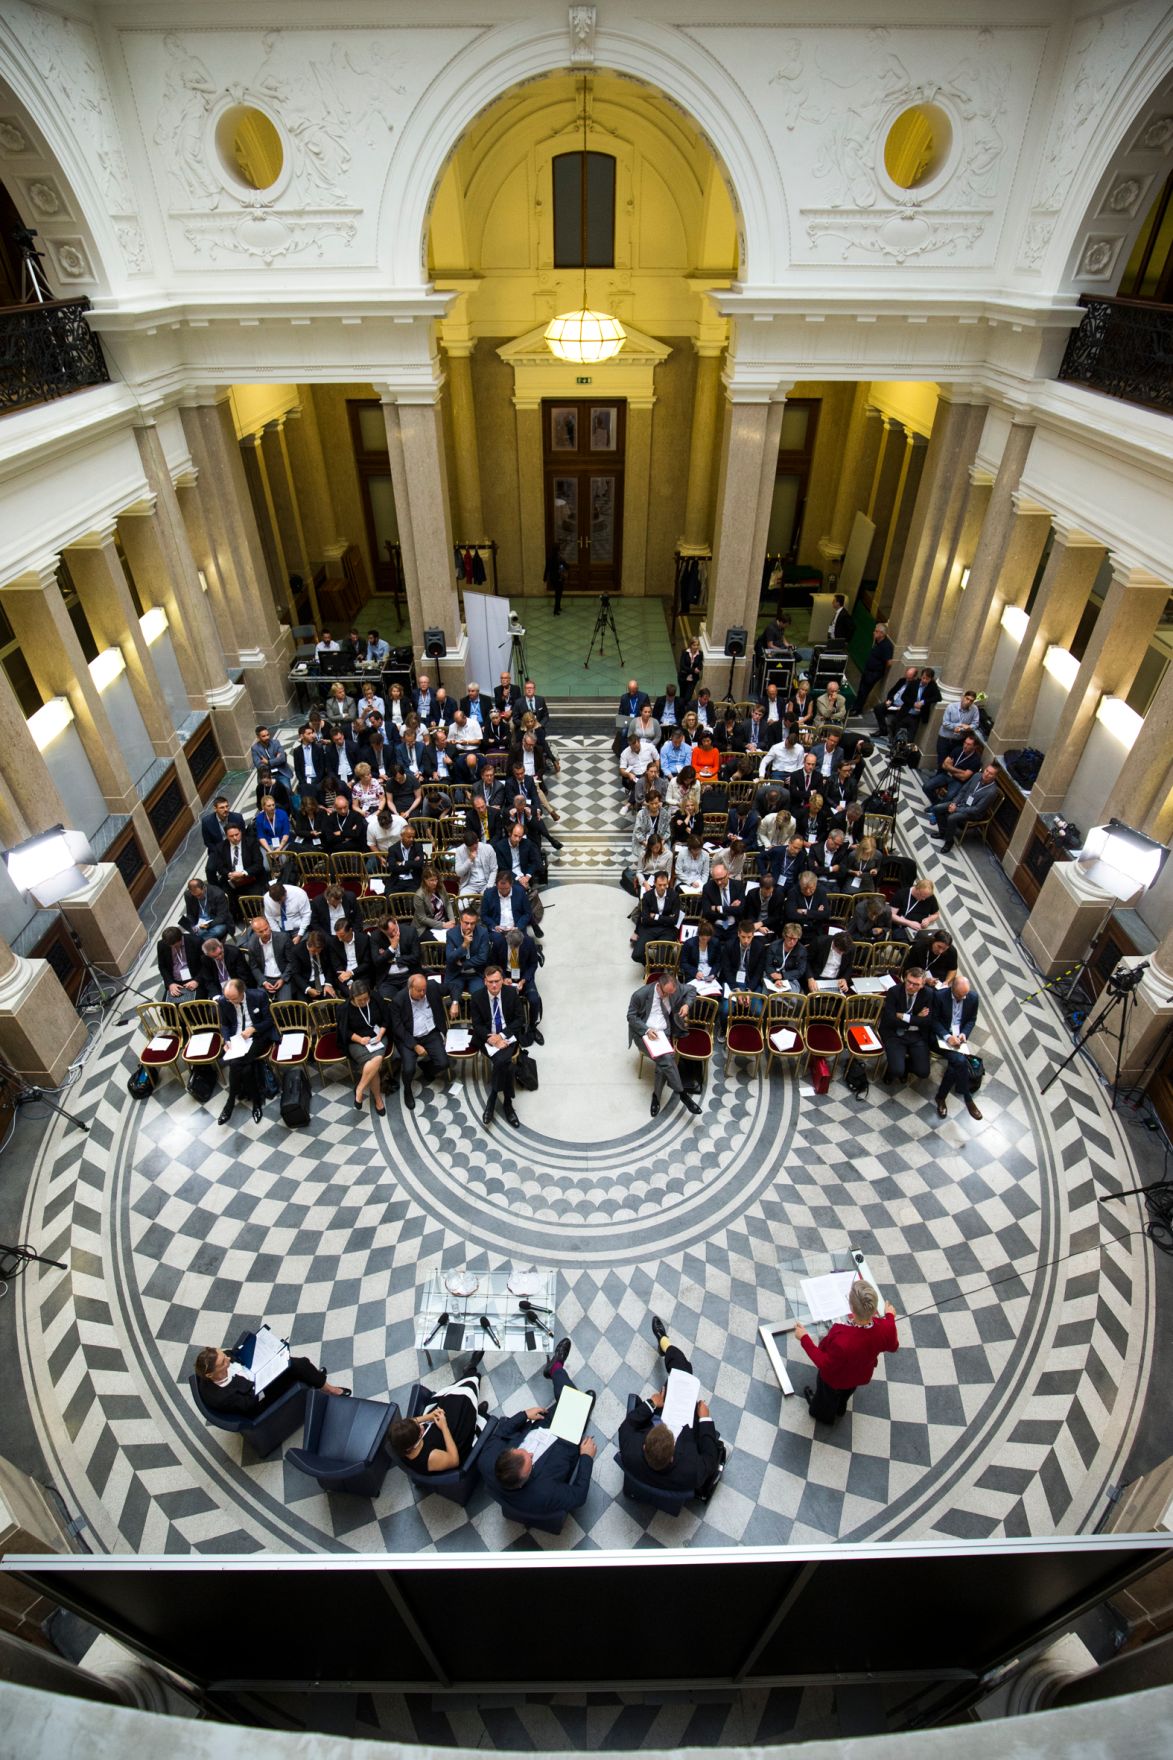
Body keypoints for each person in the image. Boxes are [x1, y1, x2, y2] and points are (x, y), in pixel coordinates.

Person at [482, 1336, 596, 1520]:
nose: (531, 1453)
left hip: (539, 1426)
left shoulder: (487, 1461)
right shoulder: (543, 1495)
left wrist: (524, 1415)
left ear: (507, 1453)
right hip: (563, 1443)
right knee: (574, 1400)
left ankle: (563, 1381)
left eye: (523, 1452)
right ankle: (556, 1369)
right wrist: (586, 1458)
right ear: (522, 1483)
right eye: (529, 1463)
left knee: (571, 1401)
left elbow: (500, 1434)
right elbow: (578, 1496)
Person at [618, 1315, 723, 1495]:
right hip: (687, 1432)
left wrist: (653, 1403)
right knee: (683, 1371)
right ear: (673, 1454)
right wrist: (704, 1418)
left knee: (680, 1378)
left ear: (644, 1446)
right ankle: (665, 1343)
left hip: (659, 1427)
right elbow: (710, 1457)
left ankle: (664, 1343)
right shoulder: (692, 1472)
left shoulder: (630, 1451)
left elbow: (628, 1424)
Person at [794, 1280, 898, 1425]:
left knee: (825, 1398)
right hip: (860, 1374)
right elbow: (893, 1346)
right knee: (846, 1392)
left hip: (833, 1379)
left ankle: (823, 1415)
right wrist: (890, 1317)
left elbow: (824, 1363)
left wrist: (804, 1338)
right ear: (874, 1309)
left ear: (851, 1309)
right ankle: (840, 1408)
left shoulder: (841, 1335)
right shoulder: (886, 1327)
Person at [192, 1343, 348, 1417]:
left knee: (299, 1363)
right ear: (211, 1374)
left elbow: (235, 1353)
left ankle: (320, 1383)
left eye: (223, 1355)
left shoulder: (226, 1358)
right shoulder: (223, 1397)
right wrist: (259, 1378)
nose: (227, 1359)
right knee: (295, 1368)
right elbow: (250, 1404)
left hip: (256, 1372)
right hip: (259, 1397)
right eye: (222, 1362)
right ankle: (322, 1385)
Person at [627, 973, 702, 1119]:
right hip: (645, 1034)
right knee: (666, 1057)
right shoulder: (640, 995)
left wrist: (687, 1004)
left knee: (663, 1062)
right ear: (658, 987)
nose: (670, 995)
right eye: (667, 993)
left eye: (672, 993)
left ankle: (656, 1096)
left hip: (664, 1032)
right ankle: (683, 1095)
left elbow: (692, 989)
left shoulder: (674, 988)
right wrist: (647, 1030)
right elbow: (631, 1016)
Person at [390, 1359, 486, 1472]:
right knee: (464, 1402)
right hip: (451, 1440)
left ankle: (470, 1379)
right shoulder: (430, 1457)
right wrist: (444, 1427)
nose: (420, 1425)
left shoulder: (399, 1439)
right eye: (420, 1429)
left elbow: (412, 1421)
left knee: (450, 1398)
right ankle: (472, 1383)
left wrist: (429, 1416)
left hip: (436, 1427)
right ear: (413, 1443)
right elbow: (454, 1460)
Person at [215, 977, 276, 1125]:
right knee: (246, 1068)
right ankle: (256, 1102)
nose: (230, 1001)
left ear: (243, 992)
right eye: (228, 998)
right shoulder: (224, 1001)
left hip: (257, 1035)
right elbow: (225, 1025)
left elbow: (269, 1021)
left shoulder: (259, 996)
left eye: (233, 998)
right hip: (237, 1038)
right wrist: (227, 1040)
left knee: (235, 1064)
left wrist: (253, 1028)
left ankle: (230, 1103)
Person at [470, 964, 523, 1128]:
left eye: (497, 981)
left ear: (502, 980)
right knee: (505, 1064)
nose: (494, 985)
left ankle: (492, 1100)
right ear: (484, 981)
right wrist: (491, 1039)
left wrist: (501, 1036)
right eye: (491, 981)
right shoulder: (477, 997)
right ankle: (507, 1104)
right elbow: (476, 1025)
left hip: (507, 1038)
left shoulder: (510, 993)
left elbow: (519, 1020)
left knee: (501, 1062)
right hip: (488, 1039)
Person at [389, 972, 451, 1110]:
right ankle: (407, 1090)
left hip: (430, 1032)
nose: (423, 993)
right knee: (409, 1068)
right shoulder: (398, 1001)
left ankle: (427, 1069)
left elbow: (453, 987)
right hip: (409, 1037)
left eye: (424, 989)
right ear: (410, 988)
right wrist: (415, 1045)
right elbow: (398, 1029)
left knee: (444, 1063)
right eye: (419, 990)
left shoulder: (432, 987)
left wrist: (456, 1002)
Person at [932, 974, 982, 1120]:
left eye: (965, 995)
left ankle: (941, 1098)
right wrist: (947, 1037)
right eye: (959, 995)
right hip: (939, 1037)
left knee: (956, 1063)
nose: (963, 998)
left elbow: (972, 1020)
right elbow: (933, 1021)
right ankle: (967, 1097)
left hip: (958, 1038)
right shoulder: (940, 996)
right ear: (952, 989)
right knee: (959, 1061)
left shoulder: (972, 997)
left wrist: (964, 1034)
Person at [340, 979, 392, 1115]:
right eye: (360, 1000)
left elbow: (386, 1018)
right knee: (374, 1064)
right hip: (357, 1042)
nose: (363, 1002)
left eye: (365, 998)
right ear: (352, 997)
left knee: (375, 1060)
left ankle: (360, 1089)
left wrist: (381, 1033)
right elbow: (344, 1032)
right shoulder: (344, 1008)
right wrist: (360, 1039)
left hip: (378, 1037)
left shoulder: (375, 998)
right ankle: (378, 1098)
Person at [879, 966, 935, 1083]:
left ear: (923, 984)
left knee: (923, 1072)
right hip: (894, 1033)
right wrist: (917, 1018)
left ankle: (906, 1067)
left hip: (917, 1035)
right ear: (905, 978)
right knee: (896, 1070)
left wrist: (904, 1017)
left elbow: (927, 1021)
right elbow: (890, 1019)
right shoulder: (894, 991)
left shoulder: (928, 994)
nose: (910, 986)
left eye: (916, 984)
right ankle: (893, 1070)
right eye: (909, 982)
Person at [929, 764, 1000, 852]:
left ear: (995, 777)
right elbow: (963, 791)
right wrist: (954, 803)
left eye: (990, 774)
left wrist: (956, 809)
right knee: (937, 808)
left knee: (952, 818)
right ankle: (943, 832)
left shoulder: (991, 792)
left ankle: (949, 841)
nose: (986, 774)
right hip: (961, 803)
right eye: (986, 771)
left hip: (973, 813)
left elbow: (976, 809)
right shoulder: (977, 775)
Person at [208, 824, 265, 915]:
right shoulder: (220, 847)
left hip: (251, 878)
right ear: (226, 836)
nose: (235, 838)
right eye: (231, 836)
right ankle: (237, 916)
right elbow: (220, 867)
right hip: (231, 880)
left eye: (237, 834)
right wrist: (230, 874)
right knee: (225, 900)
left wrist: (243, 873)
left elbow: (258, 864)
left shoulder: (251, 843)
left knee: (255, 903)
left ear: (241, 832)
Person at [445, 907, 493, 1003]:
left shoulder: (483, 932)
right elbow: (450, 958)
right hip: (456, 974)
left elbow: (482, 958)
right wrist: (464, 945)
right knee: (451, 1001)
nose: (469, 926)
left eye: (472, 923)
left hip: (476, 973)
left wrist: (463, 964)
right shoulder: (451, 934)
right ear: (460, 921)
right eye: (466, 923)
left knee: (479, 998)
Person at [242, 916, 293, 1003]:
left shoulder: (283, 938)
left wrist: (283, 979)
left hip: (282, 976)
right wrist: (263, 982)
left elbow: (291, 961)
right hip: (265, 978)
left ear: (269, 926)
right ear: (255, 933)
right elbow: (254, 967)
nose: (265, 933)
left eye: (266, 929)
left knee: (285, 1005)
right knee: (259, 1002)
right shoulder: (252, 944)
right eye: (261, 932)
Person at [921, 731, 984, 799]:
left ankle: (935, 808)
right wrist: (960, 771)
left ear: (974, 747)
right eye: (965, 743)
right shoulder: (958, 749)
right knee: (926, 787)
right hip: (946, 775)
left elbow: (964, 777)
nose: (965, 746)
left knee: (949, 796)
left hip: (958, 781)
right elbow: (944, 765)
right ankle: (936, 804)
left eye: (969, 744)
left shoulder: (976, 760)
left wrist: (950, 768)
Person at [156, 925, 204, 1000]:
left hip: (194, 978)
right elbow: (162, 966)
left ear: (181, 938)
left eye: (175, 945)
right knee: (167, 1010)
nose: (173, 948)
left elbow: (206, 965)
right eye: (170, 946)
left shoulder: (196, 942)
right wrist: (170, 983)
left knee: (194, 1007)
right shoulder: (162, 945)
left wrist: (197, 981)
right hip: (175, 982)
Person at [934, 690, 982, 763]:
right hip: (945, 739)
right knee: (942, 761)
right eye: (967, 699)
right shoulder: (951, 706)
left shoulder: (974, 709)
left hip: (959, 741)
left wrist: (968, 727)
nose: (968, 702)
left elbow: (975, 724)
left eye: (971, 701)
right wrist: (960, 725)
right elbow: (945, 723)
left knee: (952, 762)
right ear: (963, 698)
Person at [856, 622, 894, 712]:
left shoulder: (886, 646)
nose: (874, 633)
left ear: (882, 633)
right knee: (861, 690)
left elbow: (888, 662)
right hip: (868, 670)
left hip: (874, 673)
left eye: (876, 631)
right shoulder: (877, 641)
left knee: (864, 691)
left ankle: (857, 709)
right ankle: (856, 705)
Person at [414, 863, 456, 935]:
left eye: (436, 879)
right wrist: (442, 925)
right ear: (425, 880)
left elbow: (447, 903)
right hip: (427, 926)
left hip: (444, 920)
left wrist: (452, 920)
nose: (435, 883)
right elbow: (422, 919)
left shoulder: (440, 886)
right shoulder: (419, 895)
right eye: (431, 880)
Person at [254, 794, 291, 876]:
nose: (272, 807)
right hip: (267, 844)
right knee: (266, 867)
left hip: (282, 842)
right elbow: (261, 836)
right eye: (269, 806)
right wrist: (269, 851)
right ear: (263, 807)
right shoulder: (260, 818)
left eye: (273, 805)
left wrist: (279, 849)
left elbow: (286, 833)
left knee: (283, 862)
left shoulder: (282, 814)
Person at [543, 541, 567, 614]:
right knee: (559, 593)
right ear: (558, 549)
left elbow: (547, 568)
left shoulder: (549, 557)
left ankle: (558, 607)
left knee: (557, 593)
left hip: (552, 578)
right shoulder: (559, 558)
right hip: (559, 578)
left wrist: (544, 577)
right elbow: (566, 566)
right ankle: (556, 610)